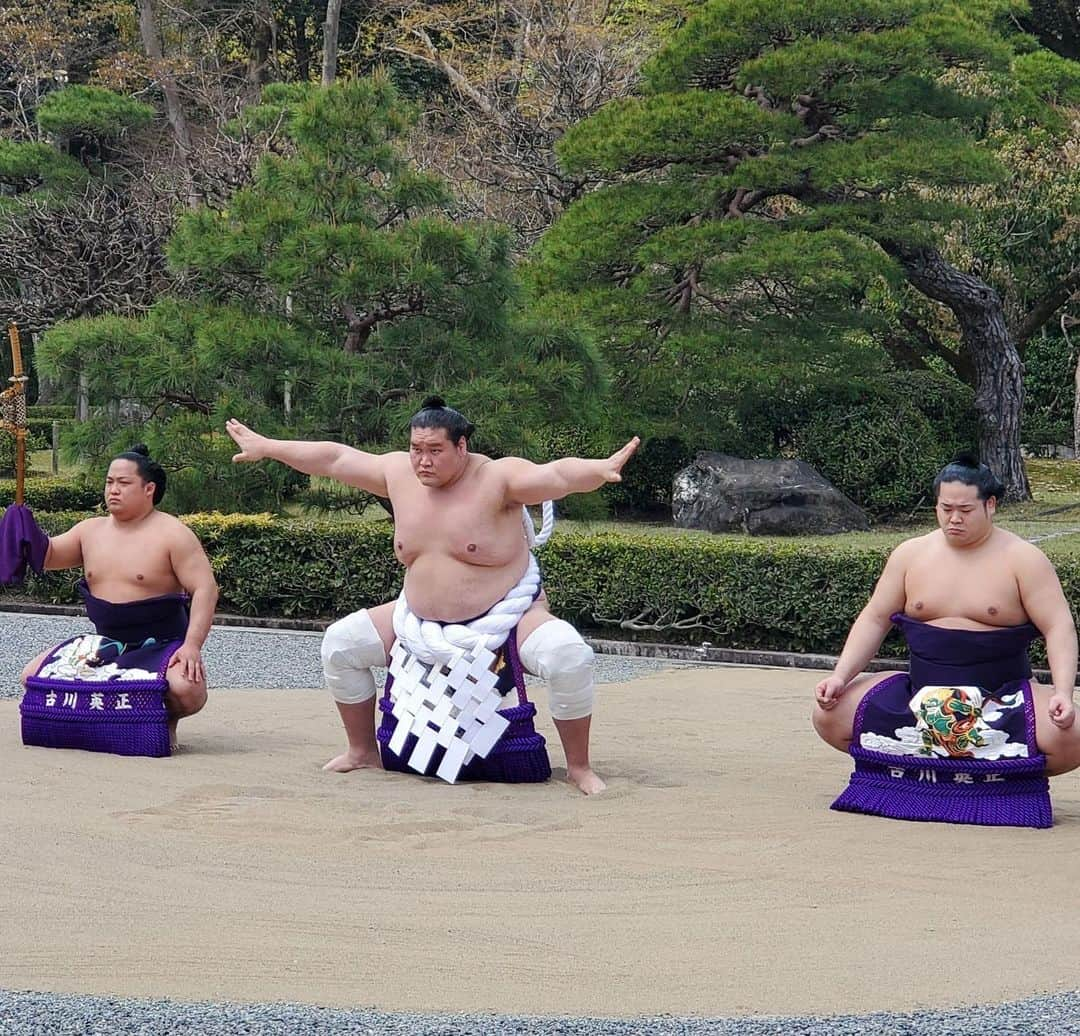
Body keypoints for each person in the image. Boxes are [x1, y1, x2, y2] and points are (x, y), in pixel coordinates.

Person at [225, 399, 638, 794]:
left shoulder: (498, 479)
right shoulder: (398, 475)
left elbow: (557, 476)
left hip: (506, 619)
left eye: (435, 450)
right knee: (341, 644)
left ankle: (579, 767)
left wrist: (598, 470)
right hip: (416, 622)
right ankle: (363, 750)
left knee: (569, 655)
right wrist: (268, 447)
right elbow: (334, 459)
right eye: (416, 449)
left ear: (462, 446)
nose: (423, 460)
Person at [813, 453, 1080, 779]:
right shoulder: (910, 554)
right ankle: (935, 768)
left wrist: (1063, 693)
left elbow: (1059, 627)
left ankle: (998, 774)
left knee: (1071, 734)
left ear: (990, 505)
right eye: (945, 508)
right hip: (920, 694)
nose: (954, 518)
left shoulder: (1023, 559)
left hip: (1002, 696)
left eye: (965, 510)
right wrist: (840, 677)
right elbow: (875, 618)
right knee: (829, 714)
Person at [15, 445, 218, 749]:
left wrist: (192, 646)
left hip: (160, 644)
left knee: (186, 689)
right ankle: (106, 724)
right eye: (110, 482)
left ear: (149, 489)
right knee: (31, 676)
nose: (113, 490)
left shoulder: (173, 534)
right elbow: (47, 555)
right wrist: (22, 528)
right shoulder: (90, 531)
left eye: (123, 483)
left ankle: (163, 718)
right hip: (105, 643)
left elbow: (205, 588)